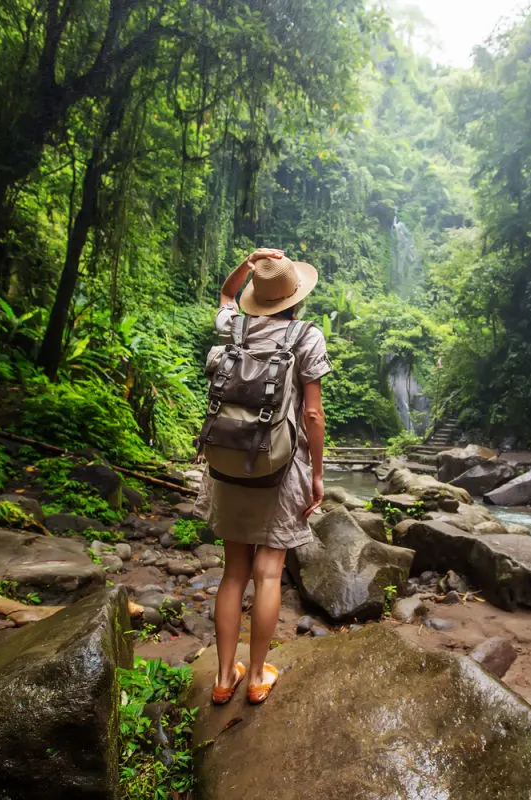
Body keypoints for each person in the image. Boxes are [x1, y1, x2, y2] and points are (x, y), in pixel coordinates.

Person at [207, 247, 331, 705]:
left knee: (233, 570)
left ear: (256, 294)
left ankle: (223, 677)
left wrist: (249, 260)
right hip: (282, 466)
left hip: (227, 463)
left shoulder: (232, 325)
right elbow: (313, 415)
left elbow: (225, 294)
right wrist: (316, 475)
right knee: (269, 571)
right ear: (295, 295)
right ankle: (257, 675)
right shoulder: (306, 337)